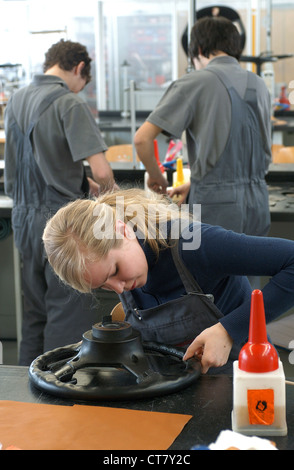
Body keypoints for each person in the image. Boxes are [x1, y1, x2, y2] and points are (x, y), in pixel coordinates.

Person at [42, 188, 294, 374]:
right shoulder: (126, 268)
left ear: (123, 230)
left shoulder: (192, 243)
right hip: (176, 394)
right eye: (103, 285)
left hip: (246, 386)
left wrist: (228, 330)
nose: (118, 287)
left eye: (115, 271)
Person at [4, 39, 117, 365]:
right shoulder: (69, 103)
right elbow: (102, 168)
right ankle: (59, 404)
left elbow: (41, 162)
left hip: (24, 219)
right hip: (63, 226)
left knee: (34, 314)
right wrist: (115, 205)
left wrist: (84, 183)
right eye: (83, 85)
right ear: (80, 68)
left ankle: (24, 400)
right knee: (66, 316)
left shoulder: (17, 100)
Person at [134, 16, 272, 237]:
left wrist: (156, 176)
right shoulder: (260, 84)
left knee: (203, 269)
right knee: (250, 267)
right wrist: (194, 186)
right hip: (258, 200)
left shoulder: (194, 82)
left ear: (197, 49)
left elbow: (142, 139)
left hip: (213, 206)